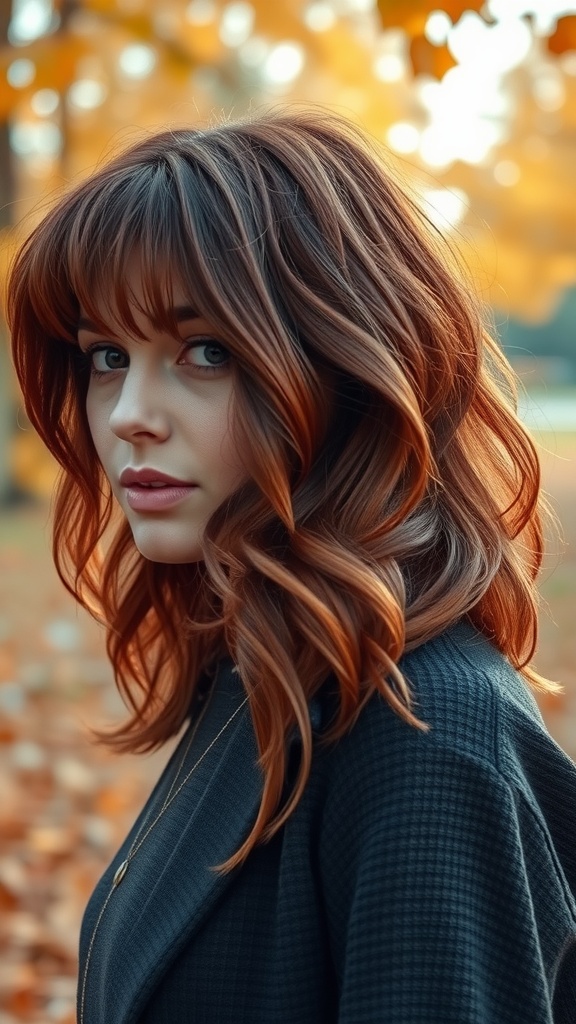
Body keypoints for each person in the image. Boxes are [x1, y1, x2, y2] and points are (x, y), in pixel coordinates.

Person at [8, 108, 576, 1024]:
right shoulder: (264, 671)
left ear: (347, 367)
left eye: (204, 352)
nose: (126, 414)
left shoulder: (425, 736)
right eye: (107, 355)